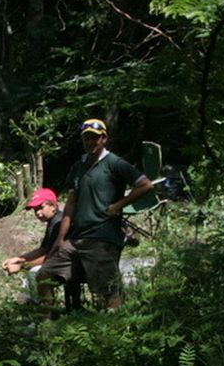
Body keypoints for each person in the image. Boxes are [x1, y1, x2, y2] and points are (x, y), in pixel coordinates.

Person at [36, 119, 153, 311]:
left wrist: (118, 205)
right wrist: (60, 238)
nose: (90, 142)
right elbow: (71, 203)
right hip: (76, 239)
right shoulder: (78, 167)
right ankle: (47, 323)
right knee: (44, 276)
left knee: (108, 290)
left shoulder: (114, 163)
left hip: (102, 237)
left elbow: (145, 185)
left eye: (95, 138)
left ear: (104, 139)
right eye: (87, 138)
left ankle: (115, 328)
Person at [0, 187, 68, 302]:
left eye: (41, 208)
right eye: (35, 210)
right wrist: (19, 259)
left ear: (53, 206)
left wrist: (22, 265)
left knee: (34, 272)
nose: (38, 213)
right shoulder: (53, 221)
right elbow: (44, 249)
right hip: (59, 261)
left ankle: (43, 310)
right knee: (32, 272)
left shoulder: (58, 223)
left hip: (66, 264)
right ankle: (34, 306)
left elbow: (50, 256)